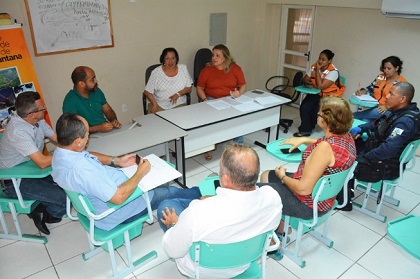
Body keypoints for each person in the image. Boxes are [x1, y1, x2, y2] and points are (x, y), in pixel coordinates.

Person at [51, 113, 201, 231]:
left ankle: (201, 196)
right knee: (171, 192)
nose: (88, 139)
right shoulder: (82, 170)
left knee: (167, 190)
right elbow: (119, 198)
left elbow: (88, 155)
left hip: (110, 195)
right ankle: (205, 197)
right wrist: (140, 174)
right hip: (119, 209)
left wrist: (115, 161)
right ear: (77, 141)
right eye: (87, 136)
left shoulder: (60, 154)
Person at [160, 143, 282, 278]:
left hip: (203, 271)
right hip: (243, 263)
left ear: (225, 179)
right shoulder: (273, 198)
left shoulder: (198, 212)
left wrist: (174, 225)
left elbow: (172, 250)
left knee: (165, 207)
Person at [260, 97, 355, 236]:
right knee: (265, 175)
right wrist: (305, 139)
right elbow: (327, 144)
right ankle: (277, 220)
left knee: (257, 193)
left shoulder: (324, 149)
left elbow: (303, 189)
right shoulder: (347, 138)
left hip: (307, 204)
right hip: (324, 195)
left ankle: (278, 228)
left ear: (326, 121)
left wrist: (283, 177)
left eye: (319, 114)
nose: (317, 115)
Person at [339, 82, 419, 211]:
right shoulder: (402, 112)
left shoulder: (404, 122)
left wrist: (363, 158)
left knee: (344, 161)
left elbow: (387, 150)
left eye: (391, 94)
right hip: (386, 158)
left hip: (385, 166)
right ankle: (348, 189)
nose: (387, 96)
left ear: (402, 99)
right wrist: (360, 129)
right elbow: (378, 125)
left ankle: (344, 202)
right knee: (348, 145)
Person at [0, 91, 66, 235]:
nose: (45, 109)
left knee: (69, 184)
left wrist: (73, 145)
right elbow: (42, 162)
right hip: (15, 180)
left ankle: (44, 205)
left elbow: (57, 139)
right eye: (42, 108)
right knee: (64, 199)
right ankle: (40, 212)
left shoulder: (37, 120)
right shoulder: (18, 131)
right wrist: (69, 154)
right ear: (32, 114)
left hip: (30, 169)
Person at [196, 44, 247, 160]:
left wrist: (239, 93)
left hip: (229, 99)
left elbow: (243, 85)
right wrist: (204, 100)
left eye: (218, 56)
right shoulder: (207, 70)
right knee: (211, 120)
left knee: (238, 116)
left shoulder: (235, 68)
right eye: (213, 55)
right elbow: (199, 88)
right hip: (211, 99)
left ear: (225, 58)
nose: (214, 58)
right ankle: (208, 147)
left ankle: (238, 146)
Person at [294, 49, 345, 137]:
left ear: (329, 61)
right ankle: (306, 130)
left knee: (316, 110)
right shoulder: (314, 66)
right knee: (305, 107)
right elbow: (305, 79)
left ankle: (309, 127)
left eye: (323, 59)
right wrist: (309, 81)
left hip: (330, 96)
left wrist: (317, 71)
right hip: (316, 93)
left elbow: (320, 86)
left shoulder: (333, 72)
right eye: (319, 58)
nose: (320, 61)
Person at [63, 66, 122, 133]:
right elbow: (73, 129)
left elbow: (108, 110)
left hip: (105, 132)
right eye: (92, 80)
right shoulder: (70, 101)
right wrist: (97, 128)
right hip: (86, 138)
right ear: (81, 84)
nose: (96, 81)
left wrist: (113, 120)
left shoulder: (96, 91)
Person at [353, 56, 407, 127]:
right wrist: (363, 91)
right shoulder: (381, 77)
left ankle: (350, 115)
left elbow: (400, 103)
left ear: (396, 68)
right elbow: (371, 88)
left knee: (359, 116)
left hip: (388, 111)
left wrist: (387, 107)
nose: (385, 71)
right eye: (384, 68)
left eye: (389, 68)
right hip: (375, 107)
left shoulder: (401, 83)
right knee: (365, 121)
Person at [144, 47, 193, 114]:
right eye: (167, 58)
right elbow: (147, 92)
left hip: (179, 104)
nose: (170, 61)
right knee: (156, 123)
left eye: (173, 58)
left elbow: (189, 88)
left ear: (176, 59)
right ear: (163, 60)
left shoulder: (183, 69)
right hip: (159, 105)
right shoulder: (156, 72)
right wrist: (154, 104)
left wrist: (178, 94)